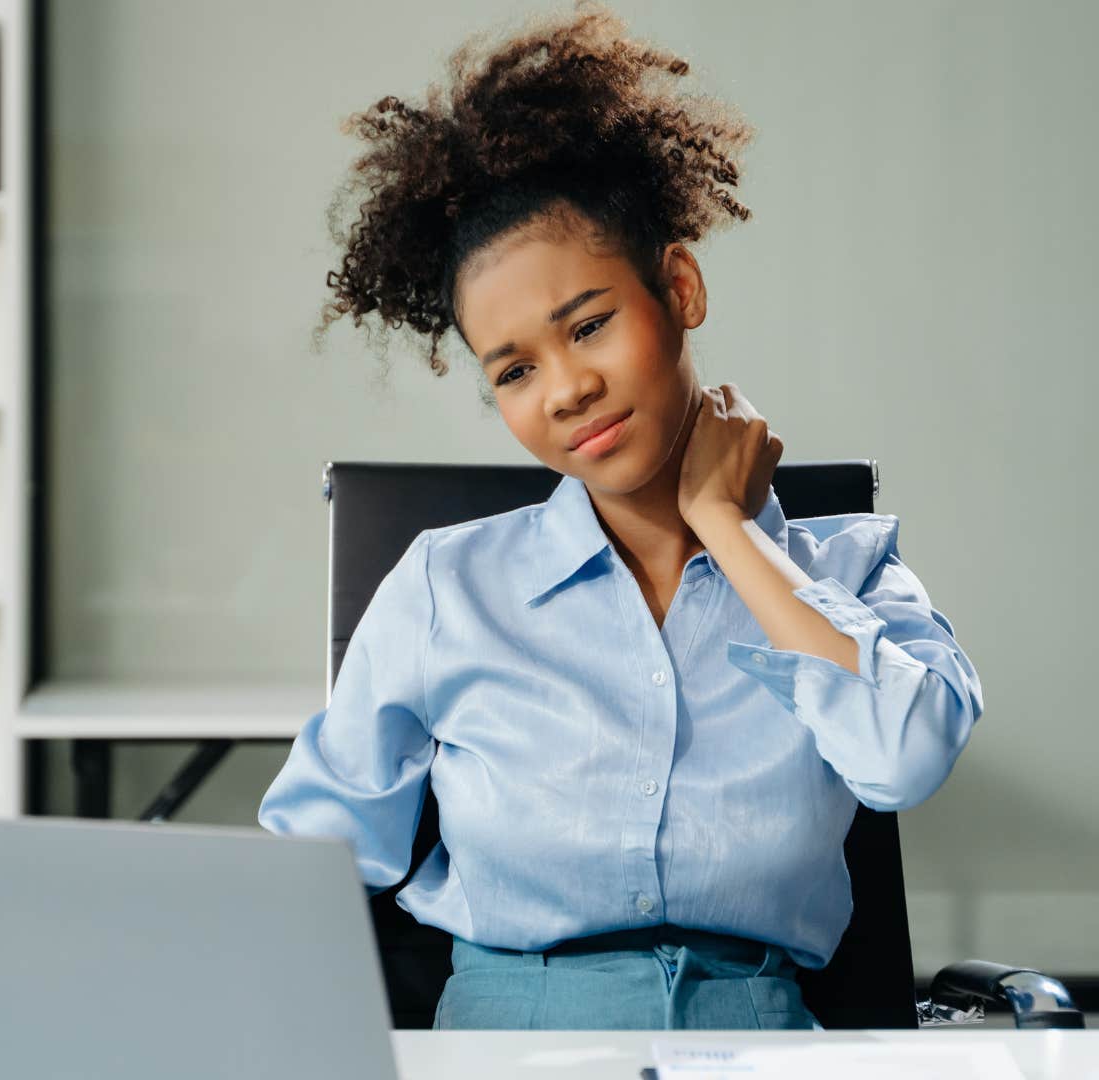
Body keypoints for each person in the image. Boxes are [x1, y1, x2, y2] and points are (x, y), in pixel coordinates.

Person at [258, 0, 984, 1031]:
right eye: (514, 370)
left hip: (760, 1040)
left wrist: (729, 530)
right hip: (510, 1039)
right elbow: (313, 863)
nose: (563, 391)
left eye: (588, 325)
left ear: (678, 286)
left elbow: (907, 758)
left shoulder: (852, 571)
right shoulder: (445, 589)